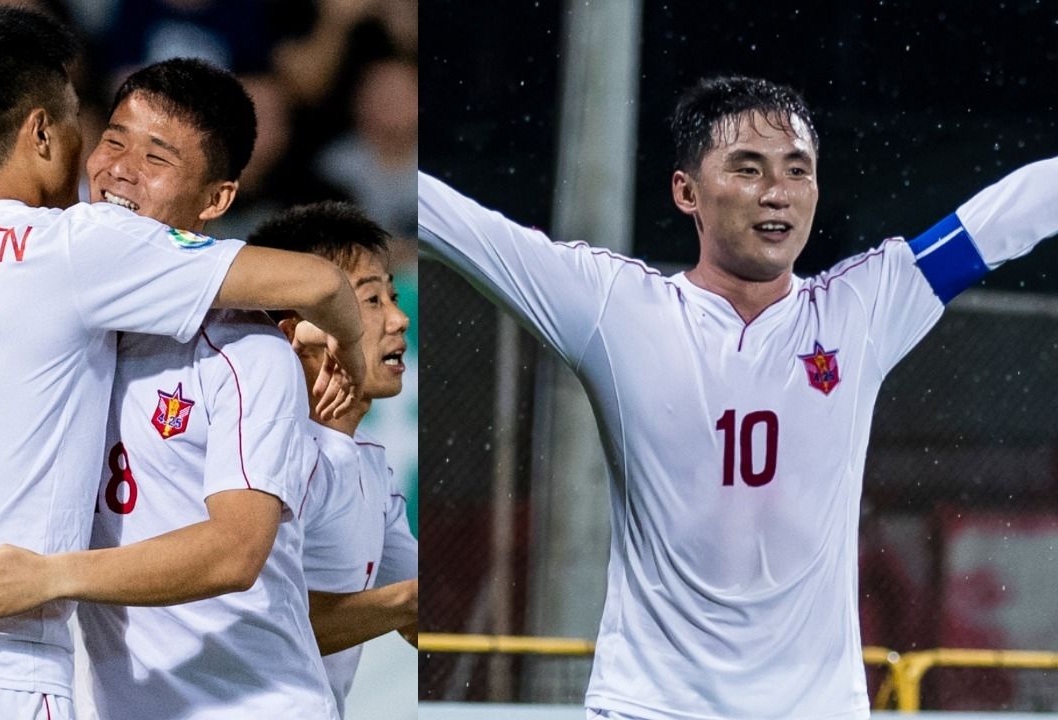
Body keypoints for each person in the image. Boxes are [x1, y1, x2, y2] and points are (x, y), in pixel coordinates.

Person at [0, 8, 365, 720]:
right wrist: (344, 348)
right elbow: (322, 283)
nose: (115, 167)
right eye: (106, 134)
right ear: (43, 132)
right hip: (3, 670)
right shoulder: (75, 245)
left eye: (156, 157)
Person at [418, 75, 1058, 719]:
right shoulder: (615, 307)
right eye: (747, 169)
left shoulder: (865, 305)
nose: (776, 193)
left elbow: (1006, 218)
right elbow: (462, 227)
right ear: (686, 191)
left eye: (797, 170)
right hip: (652, 706)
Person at [247, 201, 419, 718]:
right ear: (297, 329)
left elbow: (418, 605)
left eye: (391, 293)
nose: (399, 317)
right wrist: (403, 604)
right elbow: (251, 628)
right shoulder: (266, 454)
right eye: (370, 299)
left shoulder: (367, 462)